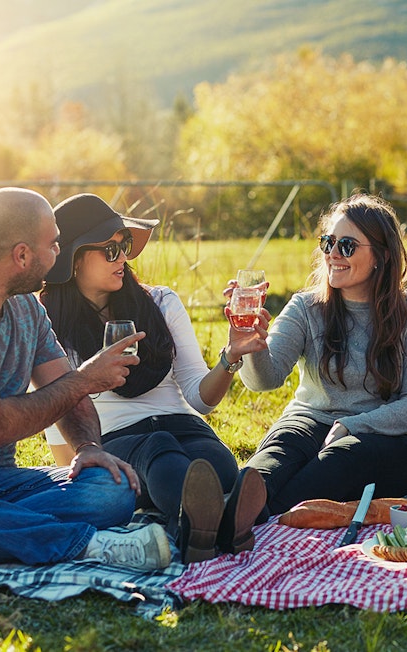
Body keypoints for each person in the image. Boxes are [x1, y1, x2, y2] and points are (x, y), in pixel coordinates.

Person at [0, 187, 169, 570]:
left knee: (111, 489)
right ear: (21, 255)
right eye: (53, 246)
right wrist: (85, 379)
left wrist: (88, 447)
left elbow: (66, 390)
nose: (57, 257)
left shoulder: (27, 308)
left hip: (3, 482)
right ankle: (83, 546)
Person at [38, 193, 268, 563]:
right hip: (117, 441)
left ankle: (204, 529)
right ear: (74, 261)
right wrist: (82, 469)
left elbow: (199, 399)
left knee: (218, 462)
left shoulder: (160, 302)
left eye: (124, 245)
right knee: (159, 449)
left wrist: (230, 356)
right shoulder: (46, 321)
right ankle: (219, 525)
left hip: (183, 427)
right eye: (109, 251)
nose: (124, 258)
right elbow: (57, 412)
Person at [240, 193, 407, 515]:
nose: (333, 253)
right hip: (309, 420)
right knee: (270, 462)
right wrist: (251, 343)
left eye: (346, 245)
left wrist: (352, 425)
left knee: (338, 460)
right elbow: (264, 380)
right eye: (328, 242)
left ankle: (246, 517)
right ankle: (223, 516)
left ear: (382, 256)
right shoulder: (306, 307)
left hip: (382, 437)